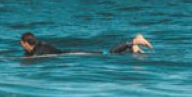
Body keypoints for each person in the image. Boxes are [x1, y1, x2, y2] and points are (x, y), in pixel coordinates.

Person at [19, 31, 152, 57]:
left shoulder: (39, 49)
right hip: (68, 53)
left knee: (107, 53)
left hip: (72, 54)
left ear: (26, 42)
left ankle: (133, 41)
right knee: (108, 54)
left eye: (21, 42)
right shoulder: (35, 49)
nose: (20, 45)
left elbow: (32, 58)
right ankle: (132, 49)